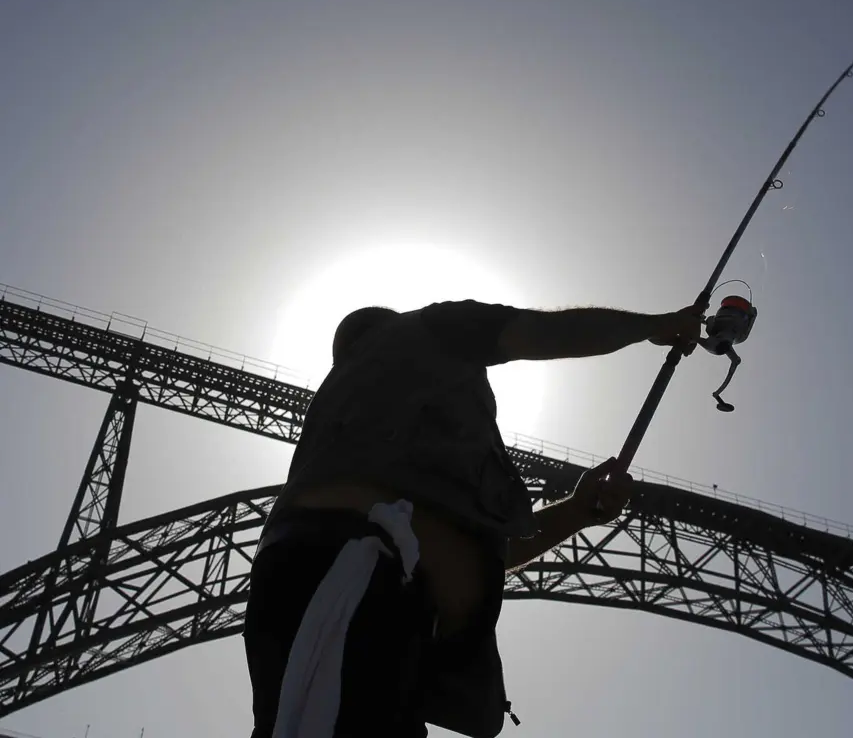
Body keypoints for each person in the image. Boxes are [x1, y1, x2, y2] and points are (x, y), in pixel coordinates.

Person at [243, 298, 705, 738]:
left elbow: (472, 546)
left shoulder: (335, 428)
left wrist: (578, 513)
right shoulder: (429, 328)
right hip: (362, 583)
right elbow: (544, 332)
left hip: (328, 596)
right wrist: (654, 326)